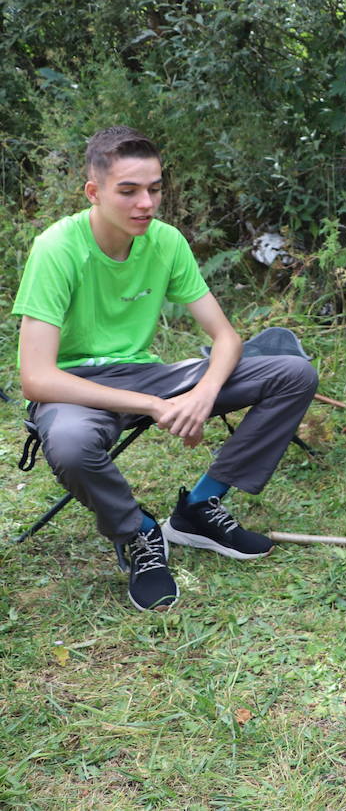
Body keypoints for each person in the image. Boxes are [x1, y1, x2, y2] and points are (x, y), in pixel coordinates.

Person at [13, 126, 319, 612]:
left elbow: (227, 338)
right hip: (73, 387)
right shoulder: (58, 248)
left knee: (292, 374)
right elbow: (38, 378)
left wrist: (201, 395)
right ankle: (138, 532)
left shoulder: (165, 242)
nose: (146, 203)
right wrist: (157, 406)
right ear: (94, 192)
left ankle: (199, 508)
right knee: (71, 443)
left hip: (143, 373)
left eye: (154, 189)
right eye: (129, 190)